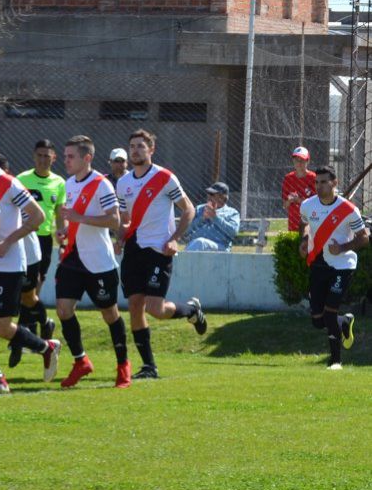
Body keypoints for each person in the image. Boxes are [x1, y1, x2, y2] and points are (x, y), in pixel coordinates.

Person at [0, 136, 60, 394]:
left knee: (1, 326)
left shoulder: (7, 183)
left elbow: (37, 217)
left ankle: (45, 347)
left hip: (9, 265)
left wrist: (8, 241)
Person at [115, 129, 207, 380]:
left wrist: (175, 239)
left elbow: (188, 210)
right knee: (135, 306)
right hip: (134, 250)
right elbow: (126, 220)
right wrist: (119, 239)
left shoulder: (164, 177)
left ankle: (191, 310)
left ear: (151, 150)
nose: (135, 150)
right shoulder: (123, 183)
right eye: (132, 146)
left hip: (160, 250)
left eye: (141, 146)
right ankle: (149, 367)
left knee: (155, 308)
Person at [55, 136, 131, 389]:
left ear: (86, 158)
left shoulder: (102, 185)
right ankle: (81, 361)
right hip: (73, 258)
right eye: (65, 156)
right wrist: (65, 230)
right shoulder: (68, 183)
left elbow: (114, 221)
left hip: (98, 261)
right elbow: (71, 218)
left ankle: (123, 366)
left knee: (109, 314)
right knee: (64, 310)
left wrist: (80, 217)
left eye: (70, 156)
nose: (65, 160)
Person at [299, 166, 369, 370]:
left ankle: (336, 361)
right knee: (318, 321)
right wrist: (304, 240)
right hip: (319, 264)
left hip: (342, 265)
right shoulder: (307, 205)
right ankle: (344, 322)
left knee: (329, 313)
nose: (319, 186)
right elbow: (304, 224)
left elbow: (363, 238)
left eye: (324, 182)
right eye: (317, 182)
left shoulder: (349, 210)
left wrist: (343, 247)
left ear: (334, 183)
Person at [14, 140, 65, 356]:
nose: (43, 159)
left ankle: (27, 334)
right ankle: (31, 332)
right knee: (22, 289)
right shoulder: (21, 179)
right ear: (34, 156)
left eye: (47, 156)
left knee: (34, 288)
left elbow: (60, 214)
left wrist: (63, 239)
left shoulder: (59, 182)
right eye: (40, 155)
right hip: (22, 237)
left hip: (43, 241)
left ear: (54, 158)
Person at [184, 182, 240, 252]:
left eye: (212, 194)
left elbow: (233, 232)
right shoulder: (199, 209)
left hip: (220, 248)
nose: (209, 196)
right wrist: (202, 218)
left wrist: (215, 218)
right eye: (208, 193)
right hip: (195, 246)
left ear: (222, 197)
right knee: (197, 243)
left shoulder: (232, 213)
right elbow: (186, 231)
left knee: (200, 243)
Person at [282, 146, 316, 232]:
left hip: (310, 222)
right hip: (293, 223)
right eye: (296, 160)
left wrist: (299, 200)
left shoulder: (313, 178)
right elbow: (285, 205)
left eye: (302, 160)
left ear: (307, 161)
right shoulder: (288, 178)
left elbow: (316, 204)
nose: (299, 163)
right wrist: (290, 200)